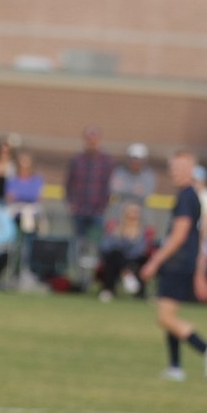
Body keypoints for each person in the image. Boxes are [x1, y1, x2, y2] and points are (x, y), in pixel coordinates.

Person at [139, 150, 207, 381]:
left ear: (191, 170)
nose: (175, 172)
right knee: (168, 314)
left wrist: (154, 261)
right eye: (173, 168)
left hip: (177, 263)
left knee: (165, 317)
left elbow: (179, 235)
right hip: (181, 262)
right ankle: (175, 368)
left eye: (180, 168)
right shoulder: (188, 195)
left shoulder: (187, 196)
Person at [64, 126, 115, 286]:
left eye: (95, 139)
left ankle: (93, 279)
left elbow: (109, 185)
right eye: (89, 139)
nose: (92, 142)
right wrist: (70, 203)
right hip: (79, 209)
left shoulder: (106, 161)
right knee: (78, 245)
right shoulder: (77, 159)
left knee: (95, 247)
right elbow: (69, 183)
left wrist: (105, 206)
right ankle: (79, 279)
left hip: (97, 210)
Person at [98, 202, 151, 301]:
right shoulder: (114, 228)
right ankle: (117, 283)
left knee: (142, 259)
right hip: (116, 257)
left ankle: (136, 288)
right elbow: (106, 246)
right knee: (115, 254)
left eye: (136, 213)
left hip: (132, 259)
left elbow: (139, 250)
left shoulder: (142, 231)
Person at [6, 150, 44, 280]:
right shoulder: (13, 179)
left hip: (31, 217)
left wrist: (21, 196)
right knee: (15, 245)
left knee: (30, 245)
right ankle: (13, 272)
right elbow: (10, 196)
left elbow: (35, 196)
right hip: (15, 216)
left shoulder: (36, 180)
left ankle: (28, 271)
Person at [109, 142, 156, 216]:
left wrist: (124, 187)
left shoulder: (148, 175)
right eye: (133, 159)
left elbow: (146, 193)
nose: (135, 163)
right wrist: (135, 189)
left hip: (141, 215)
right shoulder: (120, 172)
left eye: (139, 160)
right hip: (120, 214)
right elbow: (114, 189)